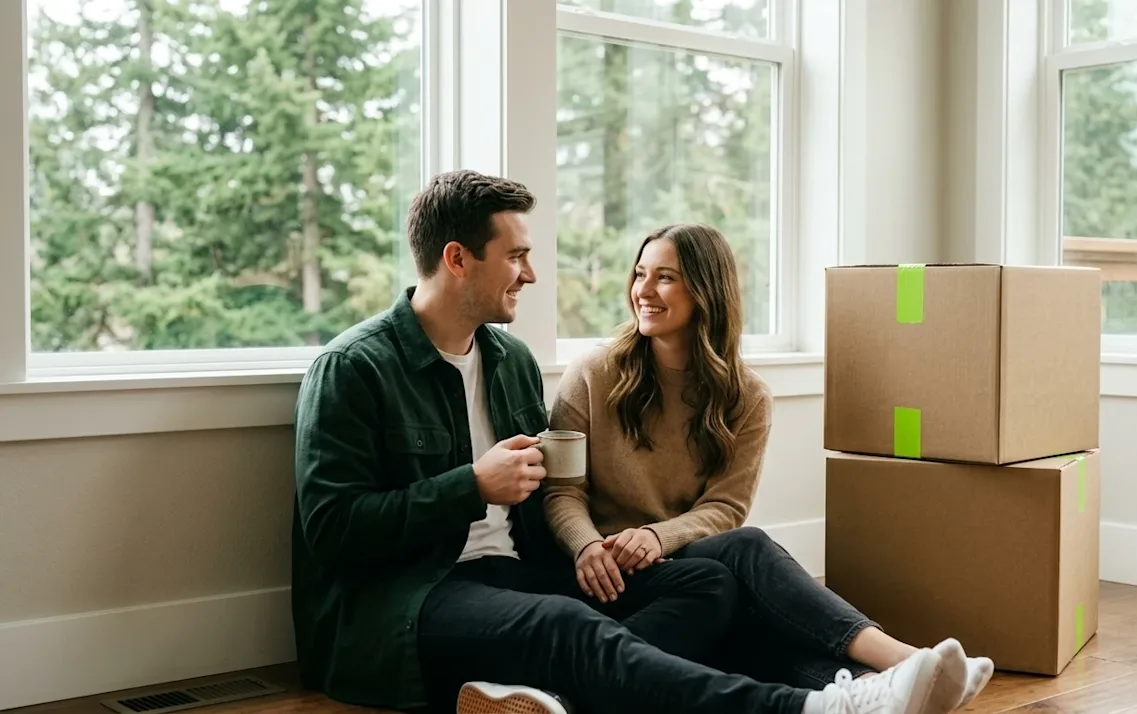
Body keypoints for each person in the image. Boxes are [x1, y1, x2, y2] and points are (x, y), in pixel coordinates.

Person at [291, 170, 938, 714]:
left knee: (709, 584)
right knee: (570, 627)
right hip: (410, 597)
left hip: (516, 572)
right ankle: (807, 705)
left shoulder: (509, 360)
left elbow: (563, 484)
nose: (532, 274)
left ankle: (548, 699)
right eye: (515, 256)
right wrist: (470, 486)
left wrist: (604, 549)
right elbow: (332, 530)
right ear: (458, 259)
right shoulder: (354, 367)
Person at [544, 223, 996, 714]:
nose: (643, 291)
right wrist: (587, 545)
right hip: (610, 573)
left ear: (706, 290)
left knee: (748, 616)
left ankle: (878, 695)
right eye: (639, 274)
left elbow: (725, 506)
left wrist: (659, 536)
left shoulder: (746, 396)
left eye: (665, 278)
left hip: (685, 560)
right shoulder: (592, 373)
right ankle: (903, 662)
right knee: (747, 552)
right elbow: (561, 491)